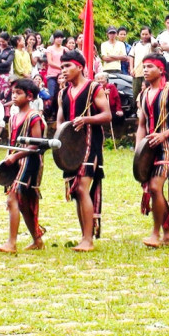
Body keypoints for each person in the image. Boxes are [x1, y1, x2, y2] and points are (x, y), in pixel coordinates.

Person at [56, 50, 111, 251]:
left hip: (90, 144)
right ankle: (84, 237)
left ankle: (88, 239)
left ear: (79, 66)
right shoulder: (63, 93)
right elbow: (60, 122)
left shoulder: (93, 88)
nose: (63, 70)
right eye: (61, 67)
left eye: (67, 66)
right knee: (77, 192)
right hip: (70, 148)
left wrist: (86, 119)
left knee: (81, 188)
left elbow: (107, 115)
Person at [135, 54, 169, 247]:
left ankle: (155, 234)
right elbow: (141, 125)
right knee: (153, 189)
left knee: (155, 187)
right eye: (144, 66)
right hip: (149, 149)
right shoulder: (143, 95)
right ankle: (167, 233)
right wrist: (138, 149)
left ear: (161, 70)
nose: (145, 70)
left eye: (150, 66)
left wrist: (164, 135)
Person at [0, 79, 47, 252]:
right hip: (15, 162)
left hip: (30, 162)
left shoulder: (34, 116)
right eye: (13, 93)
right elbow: (11, 143)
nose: (14, 96)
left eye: (19, 93)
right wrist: (8, 158)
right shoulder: (13, 117)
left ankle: (12, 243)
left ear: (29, 96)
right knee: (23, 203)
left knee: (13, 198)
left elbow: (36, 144)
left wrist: (16, 155)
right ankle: (37, 240)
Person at [129, 26, 154, 105]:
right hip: (137, 72)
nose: (144, 36)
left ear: (150, 34)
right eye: (142, 34)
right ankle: (135, 110)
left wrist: (152, 38)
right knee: (136, 91)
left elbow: (155, 44)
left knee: (148, 90)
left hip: (148, 72)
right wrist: (131, 68)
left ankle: (147, 108)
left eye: (146, 34)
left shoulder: (152, 45)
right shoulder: (136, 44)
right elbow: (131, 56)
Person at [45, 31, 66, 100]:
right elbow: (50, 62)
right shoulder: (49, 49)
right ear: (54, 38)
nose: (59, 39)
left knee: (64, 94)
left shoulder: (65, 49)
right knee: (52, 95)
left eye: (61, 37)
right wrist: (60, 66)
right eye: (57, 37)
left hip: (63, 75)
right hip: (52, 75)